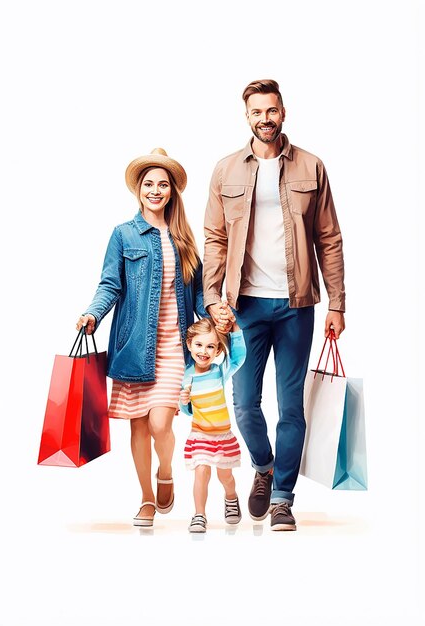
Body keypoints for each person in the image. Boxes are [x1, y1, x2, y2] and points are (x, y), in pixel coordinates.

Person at [203, 79, 346, 531]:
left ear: (283, 112)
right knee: (244, 402)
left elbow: (329, 238)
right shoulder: (226, 170)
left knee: (290, 405)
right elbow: (215, 239)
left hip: (295, 305)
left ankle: (282, 496)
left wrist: (337, 304)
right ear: (246, 117)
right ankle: (262, 466)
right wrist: (212, 298)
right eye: (257, 112)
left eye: (272, 110)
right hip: (243, 306)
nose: (265, 118)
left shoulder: (311, 165)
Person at [76, 147, 207, 528]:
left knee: (161, 424)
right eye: (149, 184)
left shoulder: (184, 238)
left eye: (162, 184)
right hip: (134, 346)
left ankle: (165, 471)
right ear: (139, 189)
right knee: (138, 425)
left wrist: (214, 315)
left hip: (173, 348)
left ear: (171, 191)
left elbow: (197, 293)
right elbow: (109, 284)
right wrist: (92, 314)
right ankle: (146, 498)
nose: (155, 190)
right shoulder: (123, 234)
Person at [179, 315, 246, 533]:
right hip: (200, 436)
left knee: (225, 476)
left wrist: (235, 328)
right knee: (201, 473)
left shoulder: (219, 372)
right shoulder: (186, 377)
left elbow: (238, 358)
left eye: (210, 347)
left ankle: (231, 496)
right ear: (189, 344)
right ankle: (199, 514)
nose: (203, 351)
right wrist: (185, 402)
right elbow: (187, 410)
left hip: (222, 437)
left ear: (217, 351)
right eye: (198, 345)